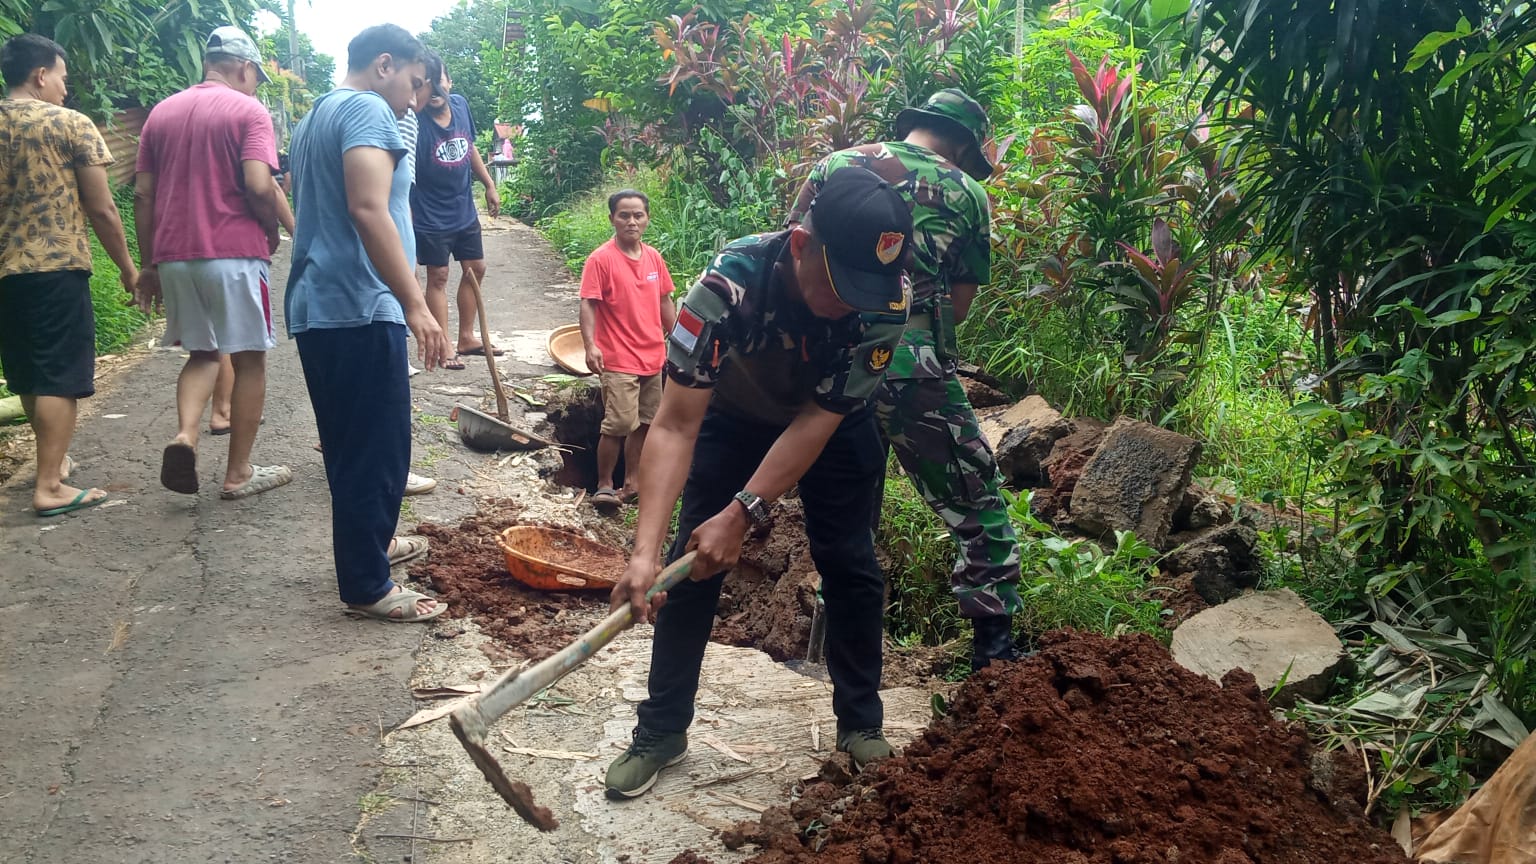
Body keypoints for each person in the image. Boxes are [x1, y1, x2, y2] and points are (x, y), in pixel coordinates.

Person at [603, 166, 913, 799]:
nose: (856, 302)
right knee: (693, 559)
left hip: (831, 423)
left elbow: (818, 421)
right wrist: (641, 553)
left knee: (851, 565)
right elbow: (674, 425)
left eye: (868, 287)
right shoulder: (727, 286)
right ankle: (661, 729)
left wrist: (744, 513)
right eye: (843, 284)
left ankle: (860, 723)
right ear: (802, 245)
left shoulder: (888, 298)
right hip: (736, 415)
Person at [788, 89, 1023, 671]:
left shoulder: (837, 164)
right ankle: (993, 658)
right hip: (911, 364)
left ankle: (824, 657)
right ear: (965, 143)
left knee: (845, 509)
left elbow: (793, 256)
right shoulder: (968, 193)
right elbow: (962, 304)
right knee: (976, 499)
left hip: (830, 357)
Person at [286, 24, 451, 622]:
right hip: (357, 303)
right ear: (385, 64)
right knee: (378, 449)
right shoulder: (364, 109)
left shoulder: (316, 115)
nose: (412, 100)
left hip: (320, 304)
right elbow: (366, 207)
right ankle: (367, 586)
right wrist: (413, 302)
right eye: (412, 83)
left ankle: (372, 548)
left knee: (352, 443)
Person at [134, 25, 294, 500]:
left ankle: (186, 435)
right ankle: (239, 472)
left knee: (203, 353)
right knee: (250, 361)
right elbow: (259, 184)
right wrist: (271, 229)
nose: (256, 85)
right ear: (244, 68)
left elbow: (144, 193)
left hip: (176, 256)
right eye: (256, 77)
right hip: (234, 255)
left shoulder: (161, 113)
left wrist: (150, 264)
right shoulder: (249, 111)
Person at [0, 34, 137, 516]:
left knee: (28, 371)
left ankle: (52, 467)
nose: (64, 87)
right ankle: (49, 486)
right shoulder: (70, 124)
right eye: (61, 77)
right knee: (59, 375)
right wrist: (126, 267)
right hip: (55, 267)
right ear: (40, 75)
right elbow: (101, 208)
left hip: (5, 272)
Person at [578, 189, 677, 511]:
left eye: (638, 215)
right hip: (618, 358)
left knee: (646, 423)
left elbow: (664, 301)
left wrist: (680, 339)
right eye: (624, 215)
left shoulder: (654, 258)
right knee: (619, 424)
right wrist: (590, 345)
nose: (631, 221)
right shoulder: (601, 259)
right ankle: (605, 485)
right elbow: (589, 304)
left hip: (653, 356)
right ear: (612, 219)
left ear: (647, 219)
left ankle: (632, 482)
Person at [410, 57, 501, 368]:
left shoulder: (460, 105)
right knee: (438, 276)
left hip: (462, 208)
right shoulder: (415, 121)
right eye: (426, 82)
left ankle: (466, 337)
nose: (435, 88)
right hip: (429, 214)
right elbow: (404, 171)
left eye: (440, 80)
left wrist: (488, 184)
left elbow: (471, 146)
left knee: (476, 267)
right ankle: (444, 345)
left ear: (449, 82)